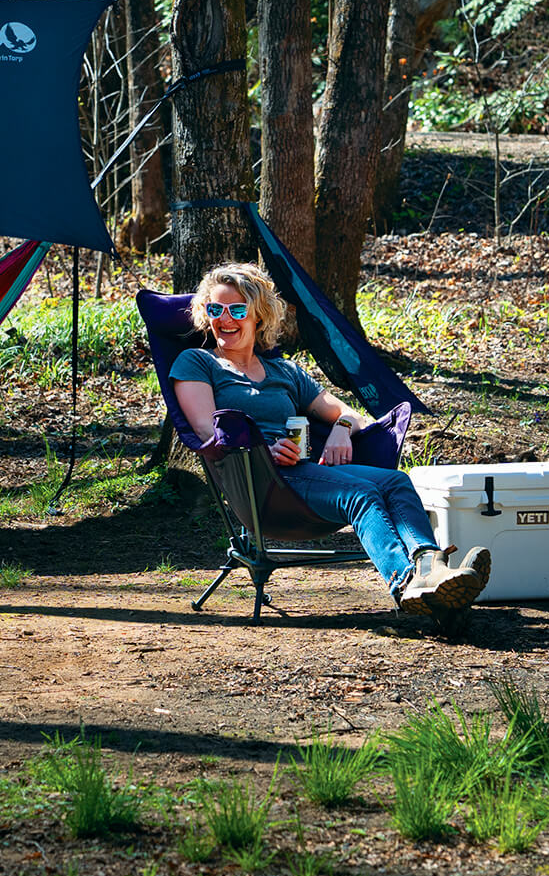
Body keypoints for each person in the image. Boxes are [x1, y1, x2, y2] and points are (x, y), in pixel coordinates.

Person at [170, 263, 491, 624]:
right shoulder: (197, 362)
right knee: (360, 495)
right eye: (215, 309)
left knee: (397, 481)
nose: (225, 319)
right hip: (259, 483)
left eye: (237, 310)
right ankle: (405, 583)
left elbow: (349, 414)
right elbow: (206, 432)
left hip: (301, 474)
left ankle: (429, 567)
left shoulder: (284, 371)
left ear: (258, 316)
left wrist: (340, 427)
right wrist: (260, 450)